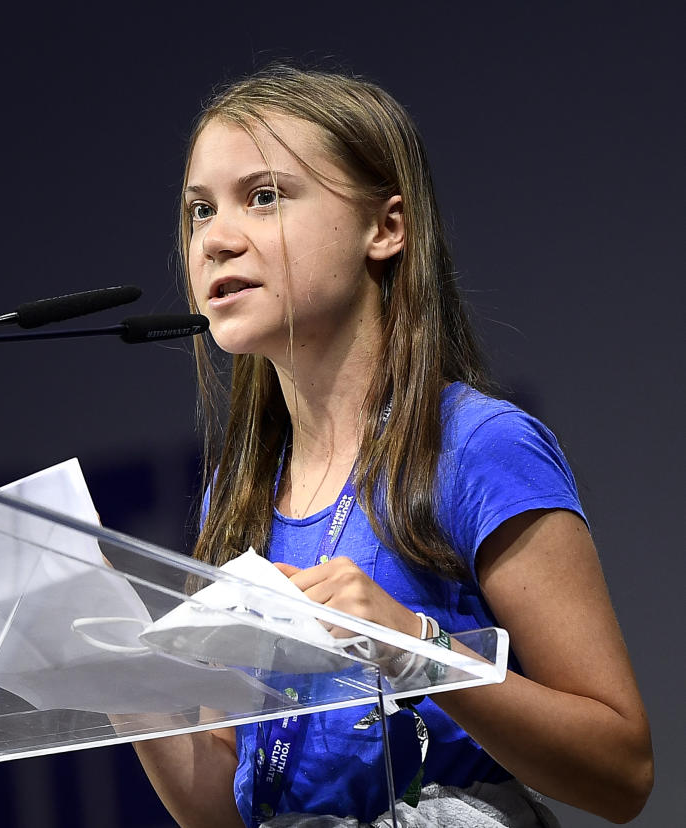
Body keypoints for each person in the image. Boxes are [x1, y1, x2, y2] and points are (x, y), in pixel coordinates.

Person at [133, 65, 653, 827]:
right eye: (199, 211)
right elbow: (225, 811)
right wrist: (125, 686)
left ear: (386, 228)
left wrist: (415, 648)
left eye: (266, 196)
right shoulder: (236, 491)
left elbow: (622, 770)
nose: (216, 239)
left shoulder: (475, 448)